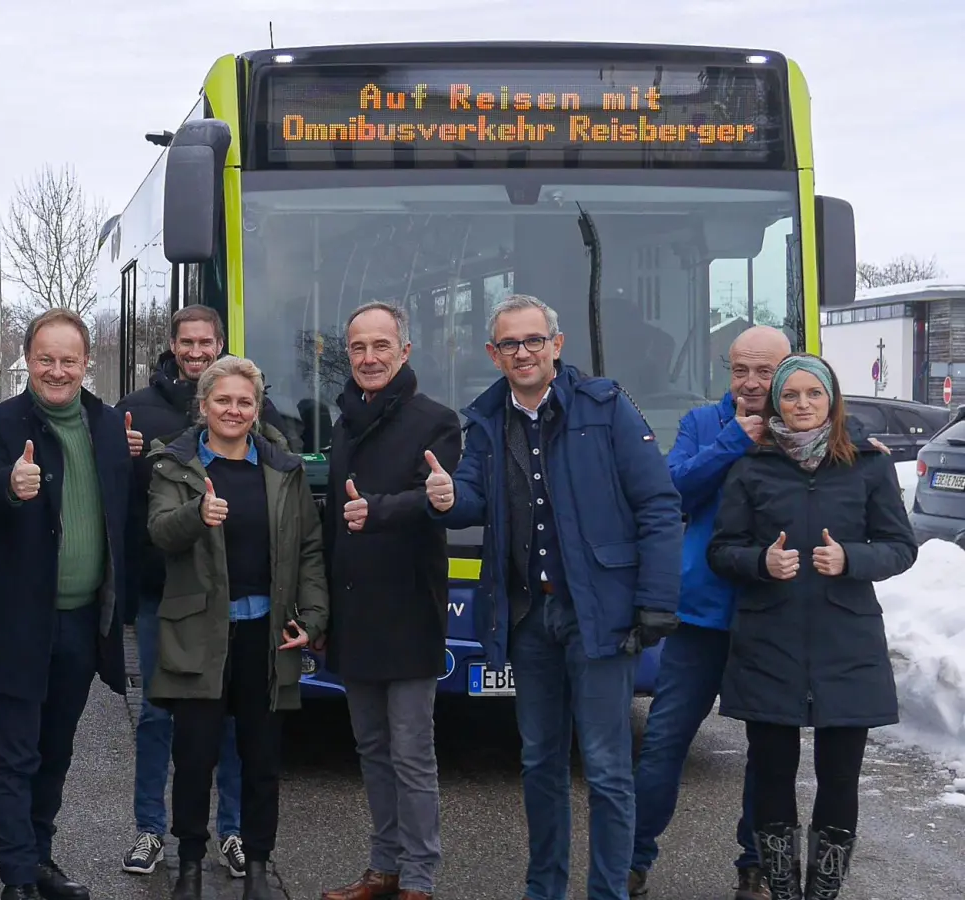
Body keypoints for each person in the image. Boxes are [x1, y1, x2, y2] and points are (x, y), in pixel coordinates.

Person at [425, 294, 683, 900]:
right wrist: (446, 498)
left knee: (607, 767)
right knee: (539, 761)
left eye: (533, 340)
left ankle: (608, 891)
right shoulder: (485, 420)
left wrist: (655, 602)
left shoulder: (607, 406)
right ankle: (544, 889)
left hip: (600, 615)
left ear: (556, 345)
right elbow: (471, 497)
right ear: (493, 354)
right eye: (509, 344)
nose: (523, 352)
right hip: (528, 617)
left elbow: (658, 505)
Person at [707, 353, 916, 900]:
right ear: (777, 403)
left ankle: (823, 893)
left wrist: (851, 559)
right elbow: (721, 550)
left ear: (831, 399)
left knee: (840, 777)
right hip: (769, 644)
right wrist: (761, 562)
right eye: (791, 395)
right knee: (772, 774)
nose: (802, 404)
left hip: (847, 644)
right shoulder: (752, 467)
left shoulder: (868, 465)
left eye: (814, 394)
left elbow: (901, 547)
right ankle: (782, 890)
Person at [144, 355, 329, 900]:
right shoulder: (173, 465)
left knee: (262, 762)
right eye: (222, 400)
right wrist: (195, 515)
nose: (233, 409)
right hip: (198, 636)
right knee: (194, 760)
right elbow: (160, 532)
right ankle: (190, 868)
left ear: (257, 408)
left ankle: (258, 870)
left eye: (244, 401)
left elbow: (310, 549)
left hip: (266, 639)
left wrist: (313, 617)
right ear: (203, 406)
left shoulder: (284, 470)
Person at [0, 309, 133, 900]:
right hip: (17, 624)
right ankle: (17, 878)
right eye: (45, 359)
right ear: (27, 360)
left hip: (83, 623)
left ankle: (38, 858)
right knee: (14, 758)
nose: (57, 371)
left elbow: (125, 511)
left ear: (86, 363)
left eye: (68, 360)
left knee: (55, 752)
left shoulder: (108, 426)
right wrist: (9, 487)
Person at [627, 325, 790, 900]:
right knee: (665, 740)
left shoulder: (802, 423)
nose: (751, 383)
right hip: (700, 616)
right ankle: (633, 858)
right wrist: (732, 441)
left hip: (772, 615)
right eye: (740, 370)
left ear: (787, 369)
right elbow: (671, 491)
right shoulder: (703, 423)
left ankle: (756, 863)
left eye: (764, 371)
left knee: (769, 751)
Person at [319, 302, 461, 900]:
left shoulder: (438, 422)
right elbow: (332, 526)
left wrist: (376, 511)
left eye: (381, 346)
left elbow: (437, 500)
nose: (369, 357)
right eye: (358, 347)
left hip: (408, 611)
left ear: (405, 351)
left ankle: (419, 879)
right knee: (372, 749)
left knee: (411, 753)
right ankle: (384, 867)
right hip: (354, 612)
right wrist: (321, 609)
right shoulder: (342, 423)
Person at [115, 304, 256, 879]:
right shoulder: (136, 409)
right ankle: (150, 829)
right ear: (172, 345)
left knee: (231, 718)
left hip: (227, 593)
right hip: (162, 590)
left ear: (220, 343)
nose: (196, 351)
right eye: (187, 342)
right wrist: (121, 457)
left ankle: (233, 831)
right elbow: (119, 499)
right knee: (156, 713)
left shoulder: (245, 401)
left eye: (206, 342)